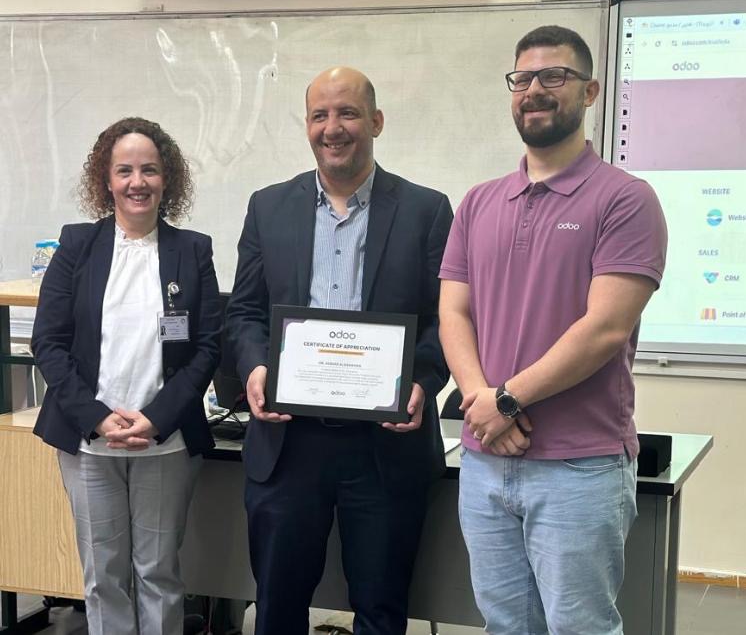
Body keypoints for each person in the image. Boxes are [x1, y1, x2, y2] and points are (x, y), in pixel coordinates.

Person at [438, 26, 668, 635]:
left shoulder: (626, 200)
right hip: (486, 461)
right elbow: (454, 313)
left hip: (579, 466)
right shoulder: (479, 202)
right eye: (522, 78)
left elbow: (604, 328)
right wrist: (481, 402)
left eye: (553, 76)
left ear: (590, 91)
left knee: (580, 627)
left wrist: (505, 401)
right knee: (505, 625)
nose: (534, 90)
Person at [225, 66, 453, 635]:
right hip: (288, 444)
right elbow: (244, 311)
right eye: (320, 115)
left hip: (384, 448)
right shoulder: (268, 207)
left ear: (376, 121)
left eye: (348, 113)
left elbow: (447, 319)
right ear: (307, 126)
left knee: (380, 610)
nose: (333, 128)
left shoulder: (427, 210)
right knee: (276, 609)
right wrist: (255, 366)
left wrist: (422, 381)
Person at [31, 117, 222, 635]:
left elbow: (208, 346)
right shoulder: (77, 247)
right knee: (104, 578)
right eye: (125, 171)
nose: (138, 182)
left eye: (150, 170)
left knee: (158, 574)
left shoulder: (192, 250)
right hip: (91, 443)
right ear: (107, 180)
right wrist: (96, 417)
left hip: (164, 442)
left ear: (167, 178)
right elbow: (48, 342)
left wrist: (157, 418)